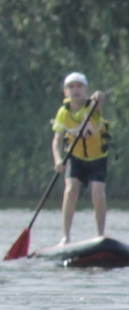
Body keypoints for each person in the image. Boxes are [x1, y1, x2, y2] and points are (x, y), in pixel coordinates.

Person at [52, 71, 109, 245]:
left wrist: (98, 96)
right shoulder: (63, 112)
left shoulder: (92, 106)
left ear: (85, 90)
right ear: (65, 92)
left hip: (97, 157)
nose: (75, 90)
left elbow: (99, 98)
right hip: (75, 157)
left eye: (79, 86)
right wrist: (58, 161)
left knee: (97, 193)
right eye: (71, 86)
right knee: (71, 190)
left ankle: (100, 235)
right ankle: (65, 237)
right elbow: (57, 141)